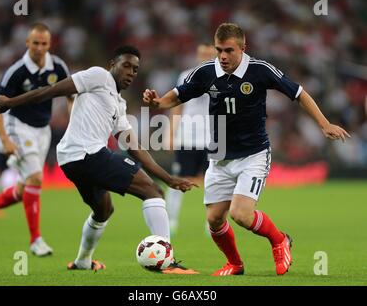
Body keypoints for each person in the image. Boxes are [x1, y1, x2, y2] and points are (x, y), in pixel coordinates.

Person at [143, 22, 350, 276]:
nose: (222, 56)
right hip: (219, 156)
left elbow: (299, 93)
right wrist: (157, 102)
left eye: (228, 50)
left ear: (243, 47)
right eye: (219, 50)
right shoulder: (207, 72)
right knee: (214, 221)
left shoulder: (260, 70)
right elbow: (176, 96)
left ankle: (279, 240)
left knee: (240, 214)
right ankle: (235, 264)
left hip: (253, 155)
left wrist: (324, 123)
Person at [0, 45, 199, 273]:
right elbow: (52, 90)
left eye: (135, 69)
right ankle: (166, 263)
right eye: (126, 65)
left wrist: (168, 178)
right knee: (153, 192)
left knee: (103, 211)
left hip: (72, 160)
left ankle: (82, 261)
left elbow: (134, 147)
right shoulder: (98, 76)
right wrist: (11, 102)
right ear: (112, 65)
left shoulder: (119, 105)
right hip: (87, 153)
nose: (130, 72)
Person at [0, 23, 71, 256]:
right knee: (36, 179)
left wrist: (74, 120)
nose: (40, 48)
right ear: (27, 43)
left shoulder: (58, 66)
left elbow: (72, 95)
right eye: (35, 43)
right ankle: (36, 240)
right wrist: (5, 140)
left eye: (44, 43)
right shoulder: (16, 71)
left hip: (43, 130)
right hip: (18, 127)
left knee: (23, 189)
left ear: (50, 44)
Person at [165, 43, 216, 237]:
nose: (205, 57)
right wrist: (171, 132)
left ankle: (212, 222)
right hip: (187, 137)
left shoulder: (222, 78)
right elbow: (177, 106)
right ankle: (171, 220)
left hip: (212, 138)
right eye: (202, 53)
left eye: (209, 54)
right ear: (197, 54)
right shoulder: (185, 76)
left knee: (214, 181)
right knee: (178, 180)